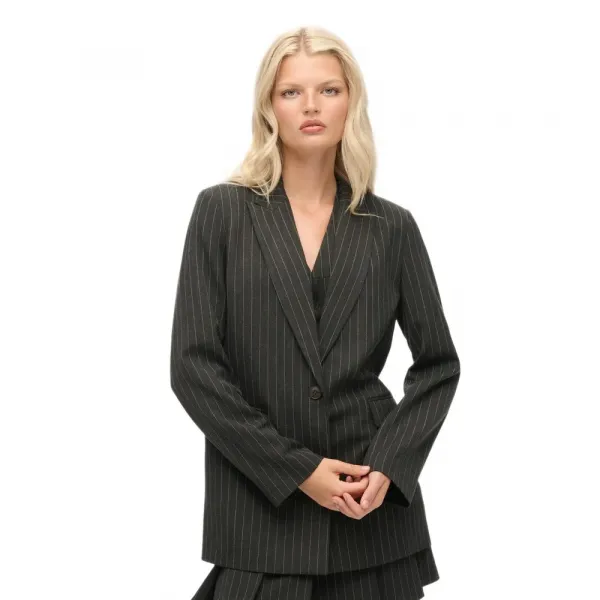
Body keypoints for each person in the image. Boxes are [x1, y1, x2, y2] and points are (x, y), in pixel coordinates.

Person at [170, 25, 461, 600]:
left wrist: (391, 464)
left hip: (367, 512)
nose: (310, 105)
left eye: (328, 90)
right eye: (291, 92)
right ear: (268, 107)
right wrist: (296, 469)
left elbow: (438, 365)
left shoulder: (392, 227)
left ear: (351, 102)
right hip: (260, 515)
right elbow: (193, 368)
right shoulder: (221, 213)